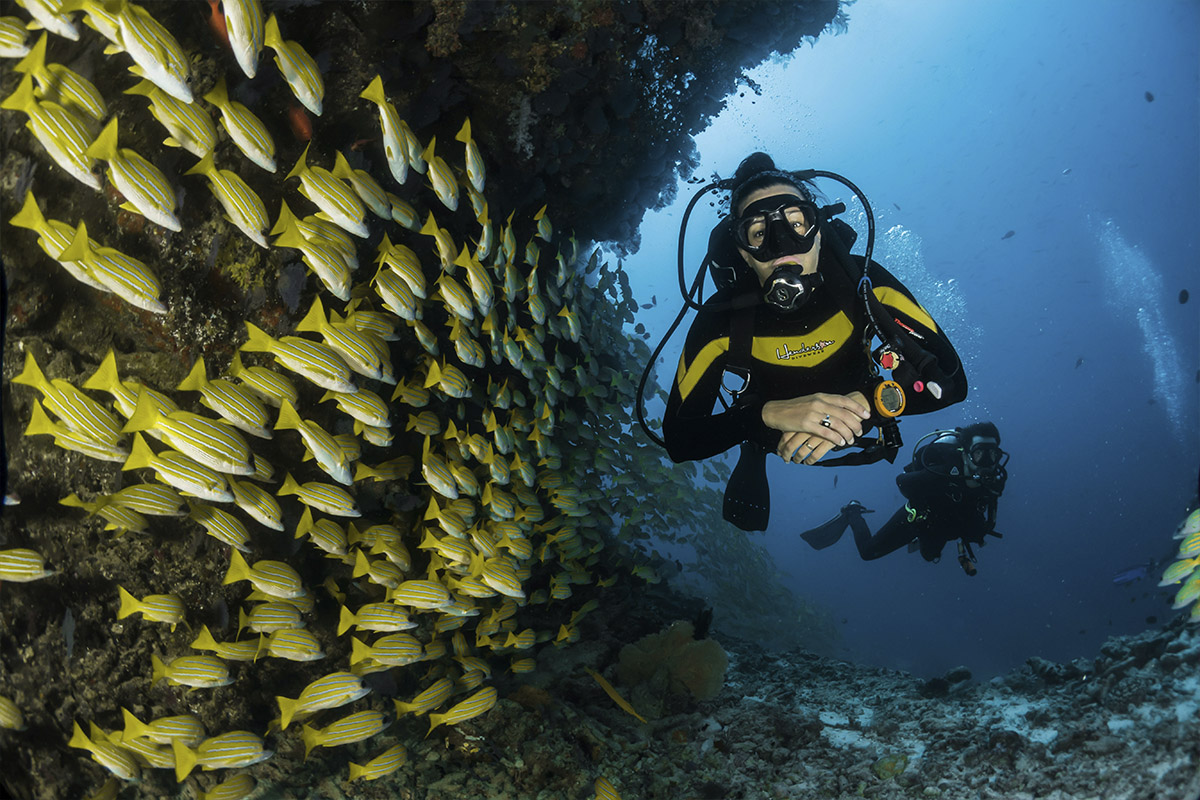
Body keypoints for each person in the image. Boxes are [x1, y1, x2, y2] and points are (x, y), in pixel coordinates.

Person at [661, 152, 967, 530]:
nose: (780, 245)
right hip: (769, 428)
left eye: (796, 223)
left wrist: (871, 402)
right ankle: (754, 448)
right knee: (753, 434)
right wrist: (762, 417)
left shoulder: (866, 284)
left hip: (864, 405)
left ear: (819, 231)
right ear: (742, 251)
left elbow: (952, 382)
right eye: (758, 233)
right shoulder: (721, 319)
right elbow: (680, 439)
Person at [800, 422, 1009, 575]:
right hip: (917, 520)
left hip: (947, 527)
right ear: (965, 453)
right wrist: (924, 504)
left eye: (993, 455)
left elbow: (986, 515)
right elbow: (903, 481)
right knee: (868, 552)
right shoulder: (943, 471)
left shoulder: (993, 482)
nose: (988, 462)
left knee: (929, 557)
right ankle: (852, 512)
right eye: (981, 454)